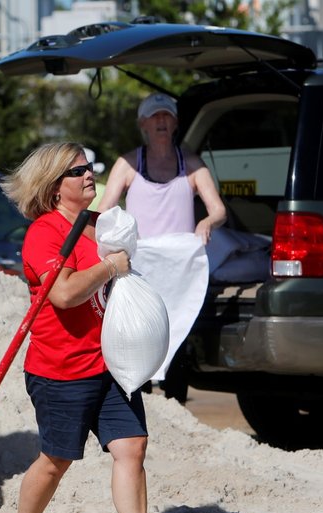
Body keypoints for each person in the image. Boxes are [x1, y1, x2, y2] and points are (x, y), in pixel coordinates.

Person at [0, 141, 197, 513]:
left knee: (132, 446)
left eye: (89, 167)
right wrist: (110, 267)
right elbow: (65, 293)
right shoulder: (44, 233)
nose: (88, 175)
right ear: (54, 187)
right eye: (77, 171)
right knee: (56, 459)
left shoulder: (99, 226)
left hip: (111, 364)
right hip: (60, 369)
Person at [97, 92, 227, 402]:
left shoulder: (192, 164)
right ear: (142, 123)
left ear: (176, 123)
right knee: (140, 335)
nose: (161, 121)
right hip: (140, 265)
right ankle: (140, 405)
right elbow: (105, 210)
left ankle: (175, 406)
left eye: (166, 116)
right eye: (155, 116)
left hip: (180, 269)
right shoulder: (129, 163)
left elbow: (219, 210)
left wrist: (206, 223)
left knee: (176, 335)